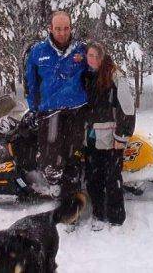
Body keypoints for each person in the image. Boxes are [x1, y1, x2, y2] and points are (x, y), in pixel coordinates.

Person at [24, 11, 88, 202]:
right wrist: (34, 109)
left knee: (74, 159)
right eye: (58, 28)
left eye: (66, 28)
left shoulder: (82, 50)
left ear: (71, 28)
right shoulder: (37, 52)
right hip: (50, 113)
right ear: (50, 28)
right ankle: (57, 190)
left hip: (77, 112)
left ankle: (71, 205)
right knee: (50, 163)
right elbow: (31, 84)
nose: (62, 32)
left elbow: (96, 75)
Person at [84, 42, 135, 230]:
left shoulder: (115, 76)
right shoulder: (87, 75)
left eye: (97, 56)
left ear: (104, 56)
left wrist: (122, 136)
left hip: (112, 139)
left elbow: (128, 109)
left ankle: (116, 217)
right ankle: (98, 214)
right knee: (93, 178)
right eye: (90, 55)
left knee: (112, 179)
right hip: (91, 137)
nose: (94, 59)